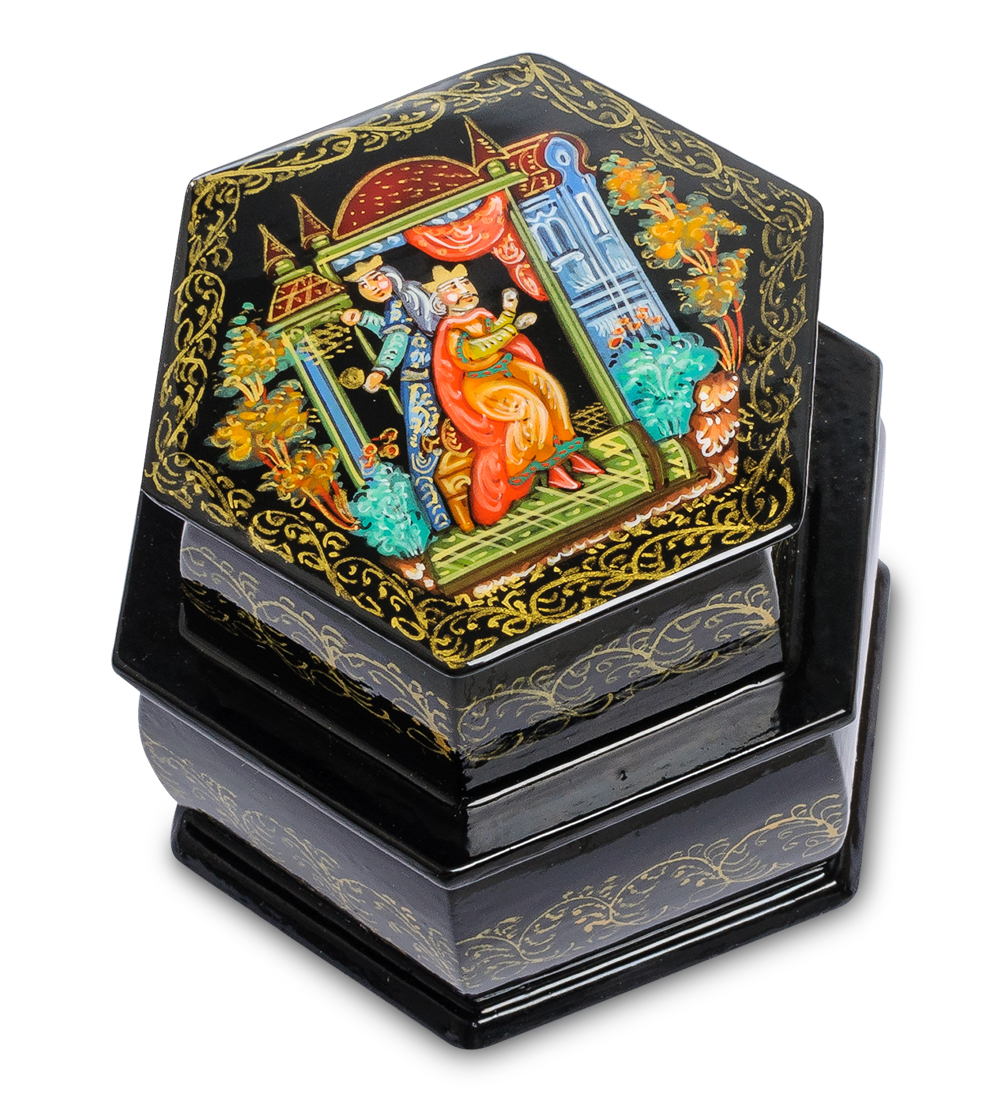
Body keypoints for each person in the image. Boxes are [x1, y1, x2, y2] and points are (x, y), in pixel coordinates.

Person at [427, 264, 605, 527]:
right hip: (482, 385)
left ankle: (570, 454)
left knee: (549, 389)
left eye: (465, 282)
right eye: (453, 287)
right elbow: (476, 350)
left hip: (506, 368)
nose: (464, 289)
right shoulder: (452, 330)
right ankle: (552, 468)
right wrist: (513, 327)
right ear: (439, 300)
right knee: (527, 405)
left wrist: (508, 312)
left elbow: (495, 330)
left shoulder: (480, 315)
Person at [340, 256, 451, 533]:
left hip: (419, 378)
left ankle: (439, 517)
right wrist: (364, 318)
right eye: (363, 285)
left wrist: (381, 369)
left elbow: (398, 337)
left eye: (376, 278)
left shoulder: (400, 302)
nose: (372, 288)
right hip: (442, 368)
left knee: (421, 451)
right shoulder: (409, 297)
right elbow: (394, 329)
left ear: (390, 273)